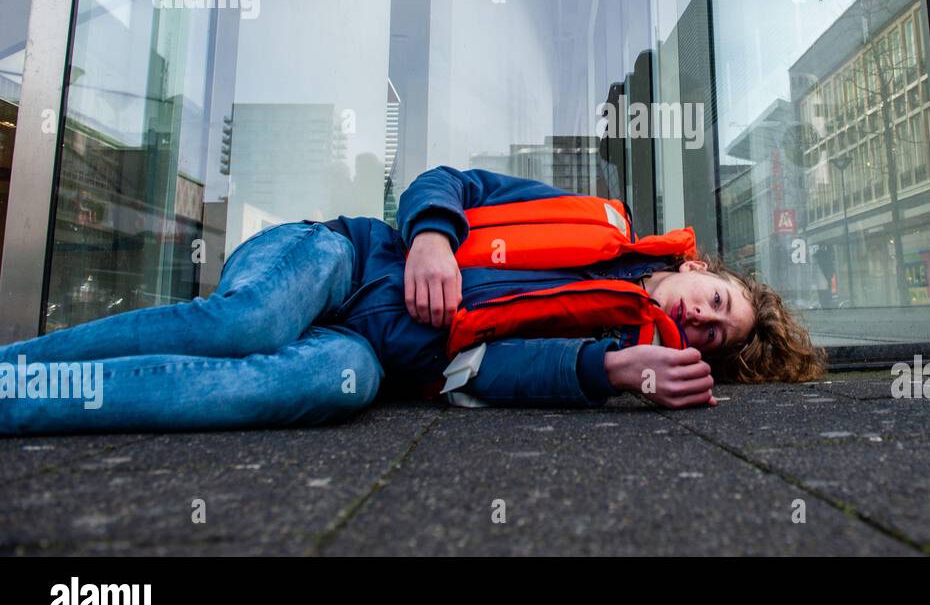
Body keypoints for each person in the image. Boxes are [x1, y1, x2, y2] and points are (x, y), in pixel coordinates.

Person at [0, 166, 825, 435]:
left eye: (716, 334)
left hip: (368, 354)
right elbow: (449, 179)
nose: (706, 316)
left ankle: (24, 403)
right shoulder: (597, 218)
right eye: (716, 297)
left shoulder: (610, 346)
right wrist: (430, 236)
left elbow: (486, 369)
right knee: (244, 323)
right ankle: (15, 370)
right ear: (700, 266)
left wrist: (611, 369)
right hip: (343, 257)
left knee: (295, 386)